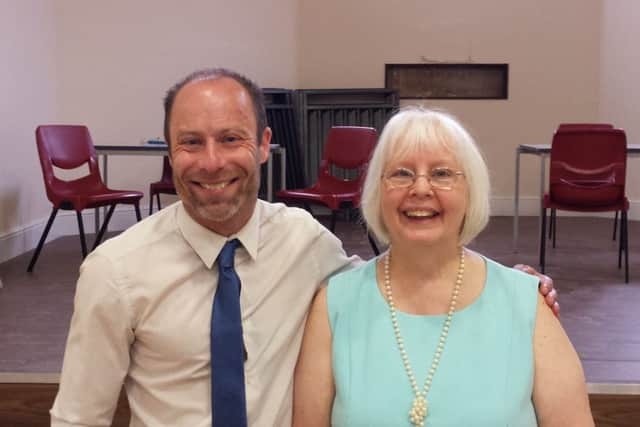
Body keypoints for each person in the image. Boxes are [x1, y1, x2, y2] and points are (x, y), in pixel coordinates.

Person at [50, 69, 558, 427]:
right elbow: (78, 417)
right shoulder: (115, 270)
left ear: (264, 143)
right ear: (168, 147)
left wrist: (504, 289)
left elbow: (389, 280)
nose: (210, 162)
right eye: (190, 142)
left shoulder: (304, 241)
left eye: (231, 138)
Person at [293, 108, 592, 426]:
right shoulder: (334, 306)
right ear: (378, 190)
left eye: (442, 174)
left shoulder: (527, 304)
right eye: (402, 173)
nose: (420, 189)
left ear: (470, 190)